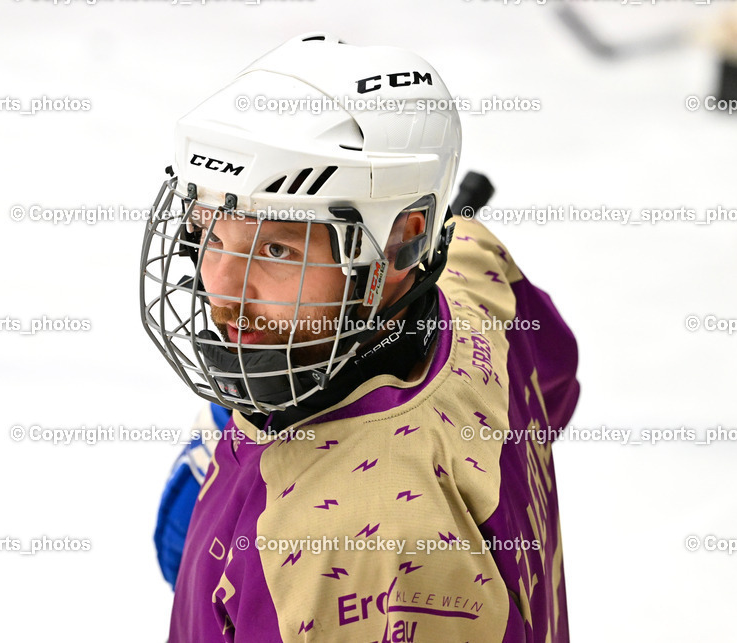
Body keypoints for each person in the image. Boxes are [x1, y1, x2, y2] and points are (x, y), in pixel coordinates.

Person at [140, 33, 580, 642]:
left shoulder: (354, 556)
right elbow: (551, 383)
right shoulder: (476, 278)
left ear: (402, 241)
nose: (220, 285)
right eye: (209, 235)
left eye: (275, 248)